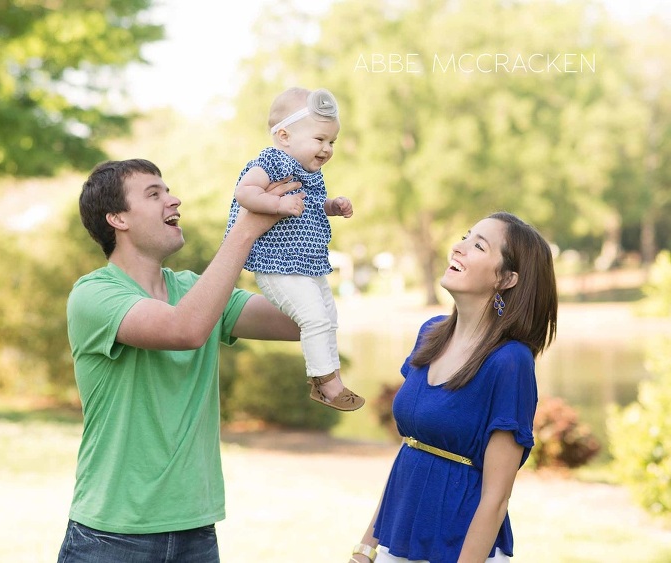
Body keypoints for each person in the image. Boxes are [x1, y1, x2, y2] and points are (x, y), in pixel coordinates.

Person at [56, 158, 303, 563]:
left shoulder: (195, 290)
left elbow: (298, 323)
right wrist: (245, 229)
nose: (174, 200)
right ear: (117, 218)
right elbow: (183, 332)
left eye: (168, 190)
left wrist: (295, 229)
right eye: (154, 194)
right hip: (112, 537)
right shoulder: (93, 295)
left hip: (196, 533)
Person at [349, 212, 558, 563]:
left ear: (506, 278)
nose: (458, 248)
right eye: (464, 237)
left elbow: (496, 498)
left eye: (478, 246)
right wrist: (366, 548)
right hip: (397, 541)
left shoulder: (510, 362)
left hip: (460, 550)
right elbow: (409, 454)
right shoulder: (430, 333)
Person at [225, 86, 364, 412]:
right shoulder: (272, 161)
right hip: (278, 263)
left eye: (332, 142)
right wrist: (276, 203)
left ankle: (330, 380)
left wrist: (333, 205)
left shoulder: (311, 174)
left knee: (329, 317)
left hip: (306, 264)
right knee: (314, 318)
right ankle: (326, 383)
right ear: (284, 136)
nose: (328, 149)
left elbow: (311, 206)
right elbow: (244, 192)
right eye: (320, 140)